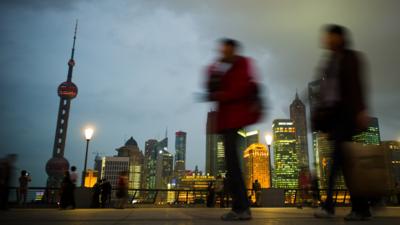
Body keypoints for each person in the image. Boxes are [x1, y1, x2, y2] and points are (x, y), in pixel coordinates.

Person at [312, 24, 371, 221]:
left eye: (330, 36)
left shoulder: (350, 58)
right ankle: (362, 207)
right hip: (335, 117)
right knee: (345, 164)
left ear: (339, 37)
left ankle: (330, 206)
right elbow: (326, 92)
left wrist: (361, 110)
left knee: (338, 162)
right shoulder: (329, 62)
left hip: (346, 115)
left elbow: (356, 85)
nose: (327, 40)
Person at [205, 38, 263, 220]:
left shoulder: (242, 64)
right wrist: (215, 68)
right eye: (222, 50)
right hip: (227, 120)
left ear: (233, 50)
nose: (223, 52)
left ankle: (242, 208)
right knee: (232, 165)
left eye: (226, 49)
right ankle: (240, 207)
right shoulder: (222, 67)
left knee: (233, 165)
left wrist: (222, 94)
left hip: (235, 119)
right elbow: (209, 85)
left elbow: (240, 89)